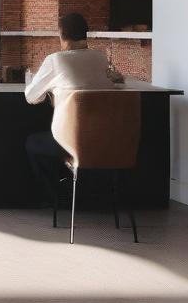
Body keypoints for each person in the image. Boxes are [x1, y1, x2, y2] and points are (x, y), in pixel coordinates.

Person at [24, 12, 125, 204]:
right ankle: (84, 192)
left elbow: (31, 96)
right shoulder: (100, 58)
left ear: (61, 35)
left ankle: (57, 197)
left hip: (71, 142)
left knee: (32, 143)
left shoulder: (56, 60)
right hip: (108, 141)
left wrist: (50, 89)